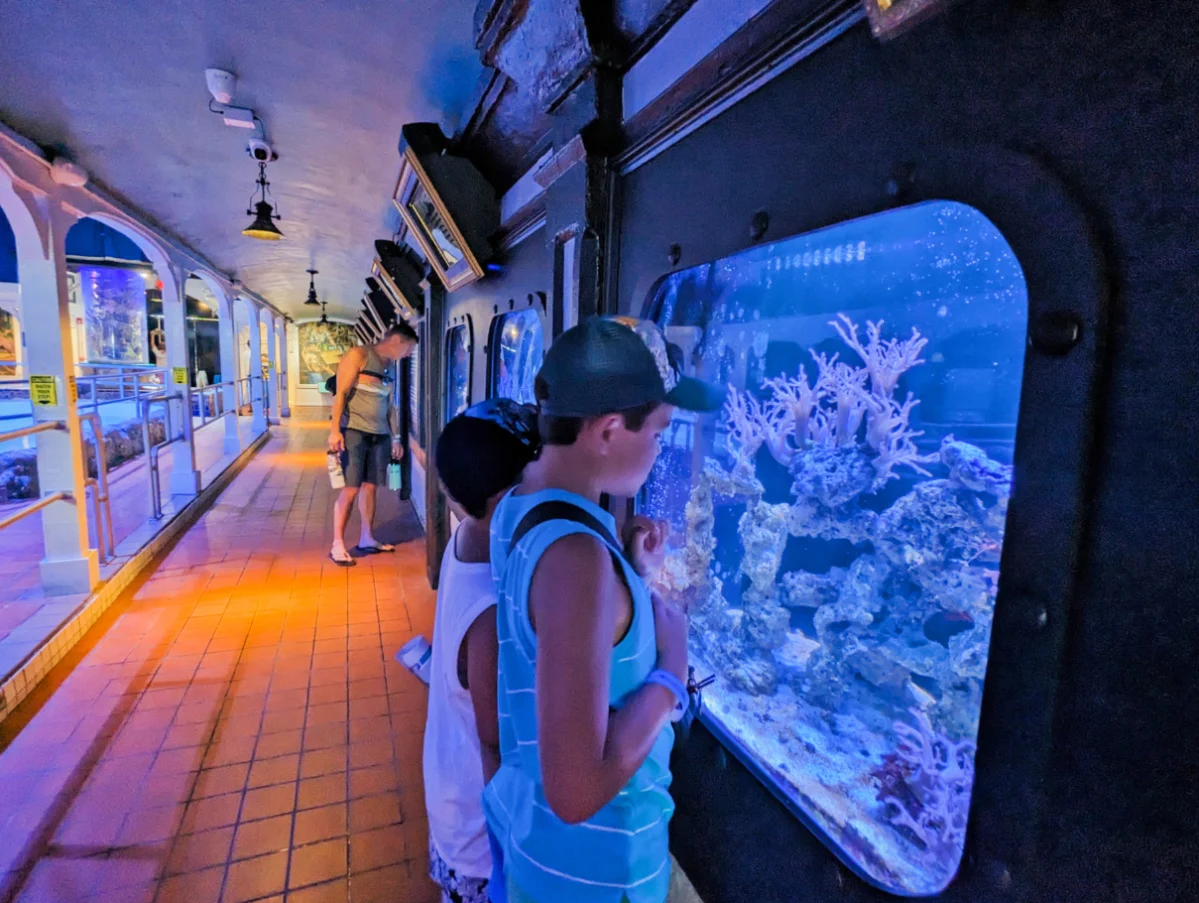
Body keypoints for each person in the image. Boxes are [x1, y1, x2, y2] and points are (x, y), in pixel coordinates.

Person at [483, 316, 724, 903]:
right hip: (592, 872)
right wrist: (672, 671)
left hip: (534, 843)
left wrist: (630, 581)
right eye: (661, 431)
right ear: (611, 429)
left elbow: (556, 642)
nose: (661, 447)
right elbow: (575, 790)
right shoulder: (579, 559)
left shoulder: (518, 505)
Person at [424, 399, 541, 903]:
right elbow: (495, 742)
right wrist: (510, 853)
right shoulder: (493, 606)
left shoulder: (464, 538)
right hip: (477, 839)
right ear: (509, 495)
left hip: (450, 800)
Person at [327, 320, 418, 565]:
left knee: (370, 487)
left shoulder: (390, 368)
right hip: (354, 432)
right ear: (397, 341)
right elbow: (340, 394)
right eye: (408, 348)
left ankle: (367, 537)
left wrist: (395, 437)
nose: (408, 354)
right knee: (351, 488)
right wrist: (335, 430)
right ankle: (337, 544)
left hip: (380, 435)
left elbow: (390, 406)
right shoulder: (359, 355)